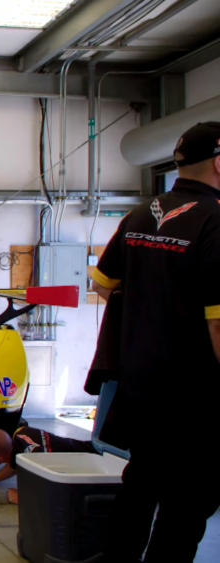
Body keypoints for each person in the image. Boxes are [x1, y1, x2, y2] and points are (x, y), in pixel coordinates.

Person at [91, 122, 220, 563]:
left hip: (140, 385)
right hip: (195, 395)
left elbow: (105, 284)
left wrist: (153, 317)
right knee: (187, 503)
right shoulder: (215, 220)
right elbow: (219, 324)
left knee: (141, 485)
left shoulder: (142, 214)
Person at [0, 426, 95, 504]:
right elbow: (14, 462)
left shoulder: (32, 467)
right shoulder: (22, 432)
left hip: (98, 468)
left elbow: (52, 498)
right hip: (91, 447)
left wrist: (20, 499)